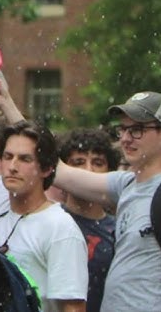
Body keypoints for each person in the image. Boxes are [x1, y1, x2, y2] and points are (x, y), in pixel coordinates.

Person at [53, 91, 161, 312]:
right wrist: (6, 102)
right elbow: (58, 171)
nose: (125, 138)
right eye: (122, 129)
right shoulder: (126, 185)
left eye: (137, 130)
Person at [0, 121, 88, 312]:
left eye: (24, 159)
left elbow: (73, 308)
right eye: (8, 157)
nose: (12, 166)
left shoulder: (60, 228)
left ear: (47, 168)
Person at [56, 128, 117, 312]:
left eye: (97, 163)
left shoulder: (119, 232)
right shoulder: (50, 220)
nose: (88, 170)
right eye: (79, 162)